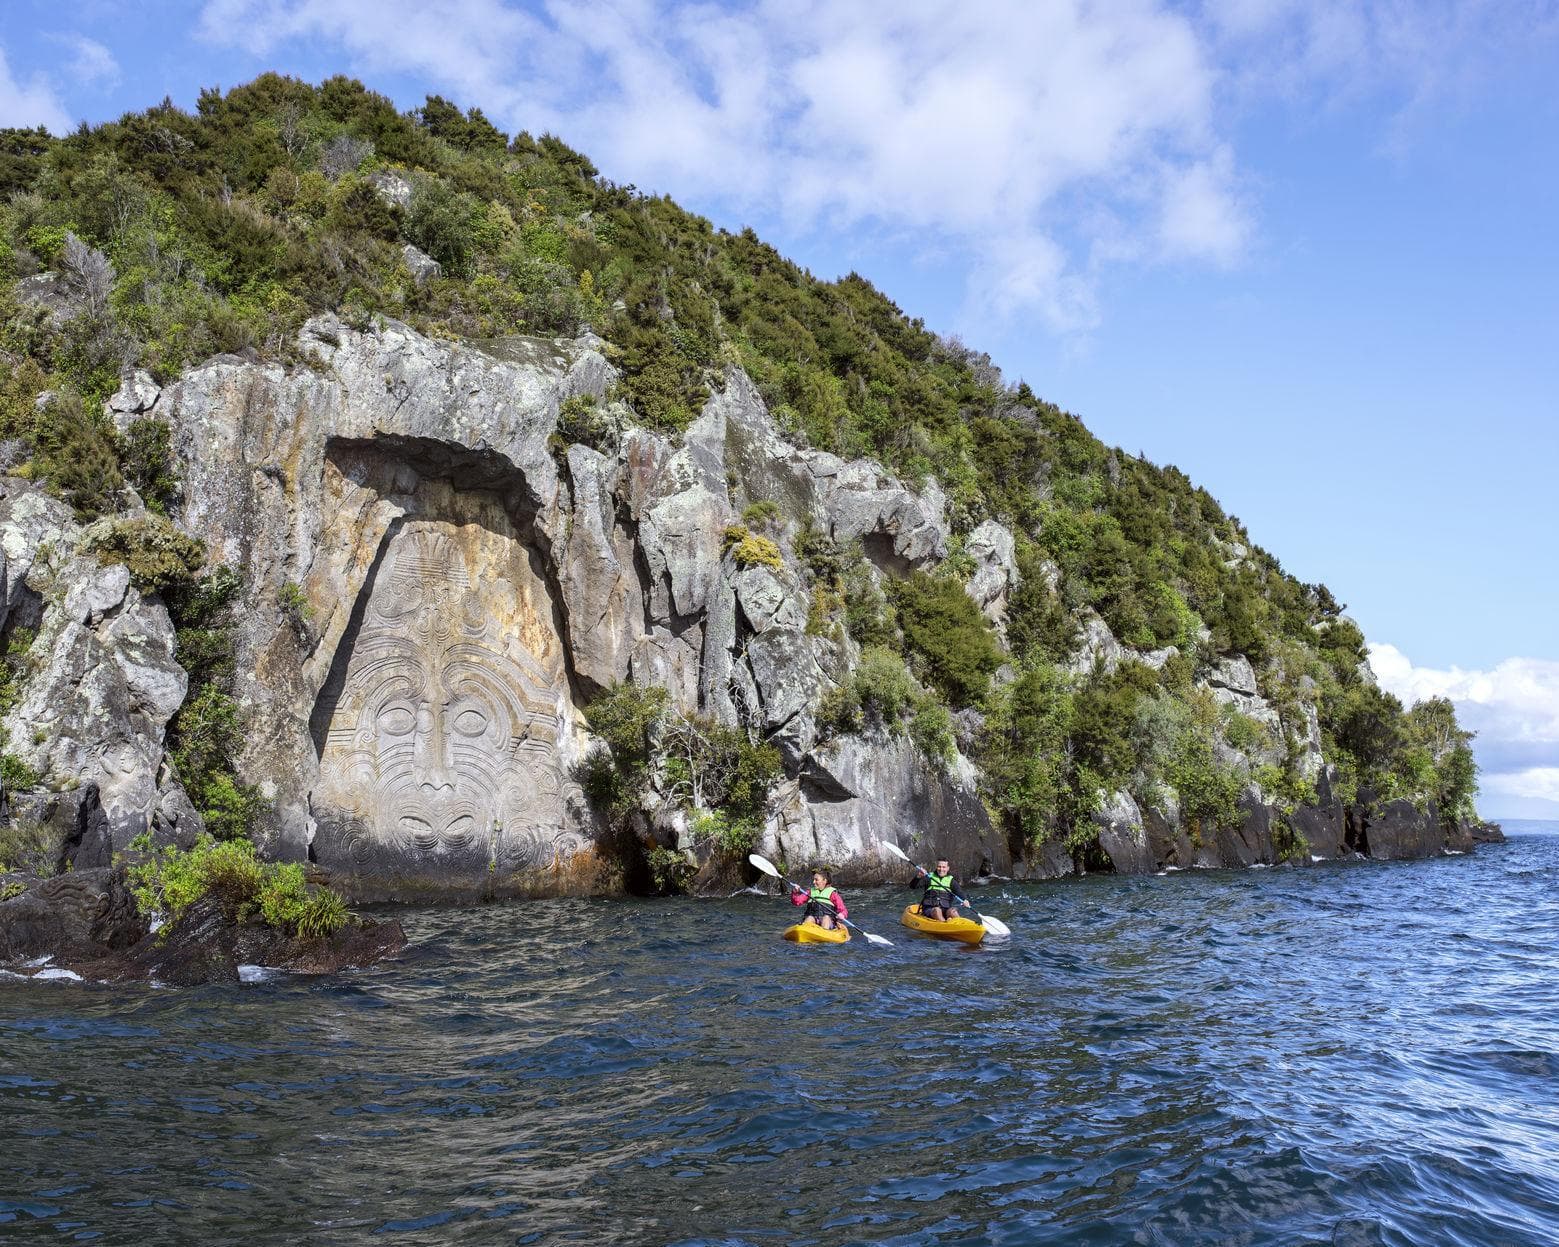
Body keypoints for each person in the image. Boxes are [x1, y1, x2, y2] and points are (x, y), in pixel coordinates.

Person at [911, 857, 964, 922]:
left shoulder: (952, 881)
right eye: (939, 867)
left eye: (944, 867)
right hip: (929, 909)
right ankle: (944, 924)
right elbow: (913, 886)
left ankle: (961, 925)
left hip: (945, 909)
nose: (941, 869)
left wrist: (965, 900)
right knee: (937, 910)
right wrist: (918, 876)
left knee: (953, 911)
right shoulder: (929, 877)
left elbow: (960, 893)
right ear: (936, 867)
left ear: (947, 868)